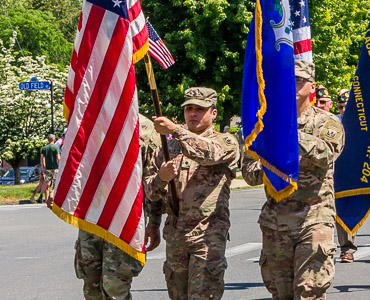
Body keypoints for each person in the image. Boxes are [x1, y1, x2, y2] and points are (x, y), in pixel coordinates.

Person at [242, 61, 344, 299]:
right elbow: (249, 171)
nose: (294, 85)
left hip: (314, 218)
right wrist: (269, 164)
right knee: (280, 294)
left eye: (300, 80)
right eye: (289, 81)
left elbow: (327, 155)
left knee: (309, 292)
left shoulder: (326, 122)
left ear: (313, 87)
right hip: (275, 221)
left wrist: (287, 133)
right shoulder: (264, 122)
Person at [144, 87, 240, 299]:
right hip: (176, 235)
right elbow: (150, 192)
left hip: (208, 235)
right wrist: (161, 179)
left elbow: (208, 153)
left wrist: (176, 129)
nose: (193, 113)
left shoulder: (226, 142)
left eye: (200, 109)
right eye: (189, 109)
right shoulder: (167, 147)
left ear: (213, 113)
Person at [67, 114, 162, 299]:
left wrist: (154, 221)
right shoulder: (88, 118)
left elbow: (152, 180)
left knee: (115, 287)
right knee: (91, 285)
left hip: (124, 218)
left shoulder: (146, 129)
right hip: (91, 217)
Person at [40, 134, 61, 202]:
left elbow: (42, 158)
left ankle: (41, 196)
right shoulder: (56, 148)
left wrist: (43, 167)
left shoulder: (44, 148)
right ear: (54, 139)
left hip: (48, 168)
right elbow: (58, 157)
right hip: (55, 168)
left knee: (46, 182)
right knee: (55, 182)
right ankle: (53, 196)